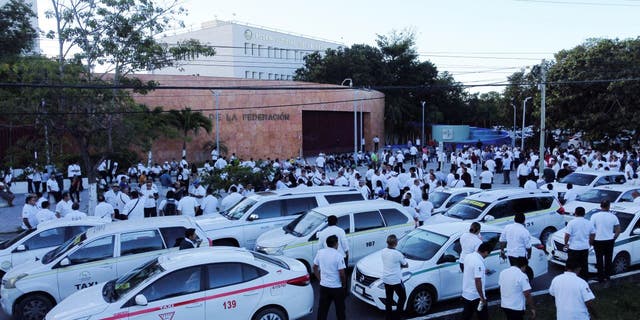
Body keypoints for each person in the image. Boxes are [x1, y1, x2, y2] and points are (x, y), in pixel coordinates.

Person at [313, 235, 347, 320]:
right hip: (336, 288)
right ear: (336, 244)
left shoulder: (320, 253)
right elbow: (342, 274)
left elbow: (314, 267)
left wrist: (320, 279)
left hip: (324, 286)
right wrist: (344, 284)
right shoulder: (338, 256)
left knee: (322, 310)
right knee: (340, 310)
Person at [460, 242, 493, 320]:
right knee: (483, 316)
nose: (487, 255)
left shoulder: (468, 256)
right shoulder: (479, 262)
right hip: (476, 297)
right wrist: (482, 297)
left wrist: (482, 270)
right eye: (488, 254)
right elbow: (478, 280)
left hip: (466, 294)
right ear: (485, 252)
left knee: (466, 316)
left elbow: (470, 269)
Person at [590, 199, 620, 282]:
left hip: (598, 240)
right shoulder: (613, 216)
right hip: (609, 240)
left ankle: (600, 277)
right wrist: (614, 237)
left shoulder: (594, 216)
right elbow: (618, 229)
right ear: (609, 206)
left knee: (599, 259)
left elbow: (591, 229)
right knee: (608, 258)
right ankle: (607, 275)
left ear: (600, 206)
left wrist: (591, 240)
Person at [564, 206, 595, 280]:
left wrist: (566, 244)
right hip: (584, 247)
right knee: (584, 266)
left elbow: (567, 235)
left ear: (575, 213)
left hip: (573, 248)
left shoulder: (571, 222)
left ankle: (570, 280)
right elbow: (593, 234)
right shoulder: (589, 223)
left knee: (571, 266)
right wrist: (590, 243)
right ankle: (584, 281)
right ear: (584, 214)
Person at [381, 234, 408, 320]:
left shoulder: (383, 251)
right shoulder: (398, 254)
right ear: (396, 243)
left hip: (386, 278)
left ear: (387, 242)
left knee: (389, 298)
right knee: (403, 297)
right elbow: (406, 265)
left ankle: (388, 317)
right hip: (395, 280)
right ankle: (398, 316)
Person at [500, 212, 533, 280]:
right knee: (522, 273)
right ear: (524, 220)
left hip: (510, 255)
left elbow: (502, 240)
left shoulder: (507, 227)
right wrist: (529, 255)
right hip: (520, 256)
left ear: (514, 219)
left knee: (514, 271)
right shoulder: (524, 231)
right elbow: (528, 247)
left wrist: (502, 251)